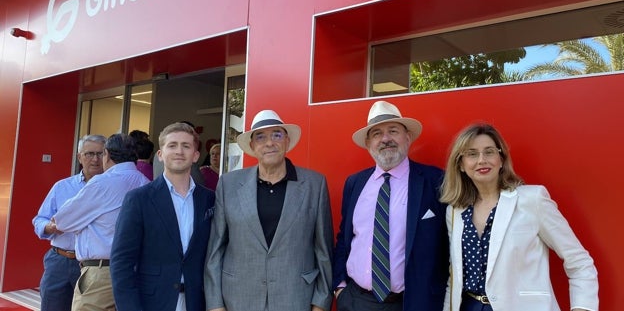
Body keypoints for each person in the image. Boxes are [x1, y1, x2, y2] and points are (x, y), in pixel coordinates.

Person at [440, 123, 598, 311]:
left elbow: (579, 261)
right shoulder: (455, 211)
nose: (482, 160)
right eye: (472, 154)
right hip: (469, 306)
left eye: (489, 152)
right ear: (461, 165)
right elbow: (455, 276)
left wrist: (583, 307)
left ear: (501, 159)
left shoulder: (533, 200)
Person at [204, 109, 334, 311]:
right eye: (261, 137)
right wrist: (215, 305)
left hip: (295, 298)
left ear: (287, 141)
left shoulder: (314, 184)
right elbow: (216, 249)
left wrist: (320, 303)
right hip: (238, 299)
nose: (269, 143)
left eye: (277, 135)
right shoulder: (228, 184)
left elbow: (324, 250)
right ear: (252, 145)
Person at [333, 100, 449, 311]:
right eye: (377, 134)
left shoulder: (435, 181)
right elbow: (345, 237)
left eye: (393, 131)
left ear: (408, 137)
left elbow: (448, 245)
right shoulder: (354, 183)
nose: (385, 139)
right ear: (368, 144)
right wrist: (340, 287)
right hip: (355, 301)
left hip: (411, 303)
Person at [111, 122, 215, 311]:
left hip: (197, 302)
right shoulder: (138, 199)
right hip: (152, 303)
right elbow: (122, 262)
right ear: (160, 154)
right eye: (172, 145)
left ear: (196, 155)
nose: (179, 151)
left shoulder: (209, 199)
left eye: (186, 146)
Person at [53, 133, 150, 311]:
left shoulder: (102, 182)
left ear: (107, 154)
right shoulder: (146, 183)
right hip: (137, 272)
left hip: (102, 272)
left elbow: (62, 222)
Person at [32, 134, 107, 311]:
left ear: (107, 156)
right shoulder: (62, 187)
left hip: (96, 267)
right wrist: (50, 227)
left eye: (100, 154)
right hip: (60, 260)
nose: (95, 159)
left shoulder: (114, 188)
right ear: (79, 157)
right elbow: (39, 219)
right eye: (89, 154)